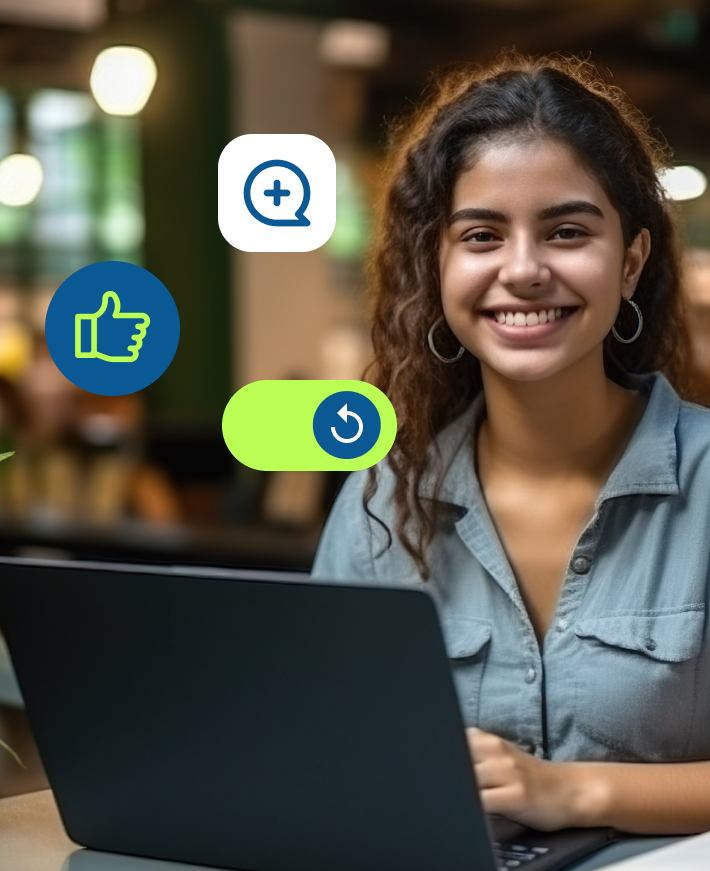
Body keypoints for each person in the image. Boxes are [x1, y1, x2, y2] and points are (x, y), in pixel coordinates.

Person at [310, 49, 710, 836]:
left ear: (630, 261)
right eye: (482, 235)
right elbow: (327, 740)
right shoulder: (382, 495)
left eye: (566, 231)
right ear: (440, 263)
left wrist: (572, 791)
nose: (522, 270)